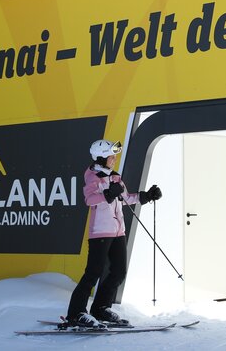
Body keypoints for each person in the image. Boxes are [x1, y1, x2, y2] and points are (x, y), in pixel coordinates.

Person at [64, 139, 162, 328]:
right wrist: (108, 194)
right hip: (100, 231)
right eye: (111, 156)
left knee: (119, 271)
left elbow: (126, 198)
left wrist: (147, 196)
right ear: (100, 157)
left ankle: (101, 308)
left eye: (114, 155)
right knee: (94, 272)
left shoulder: (115, 177)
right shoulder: (93, 176)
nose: (114, 158)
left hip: (118, 231)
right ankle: (76, 313)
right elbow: (89, 199)